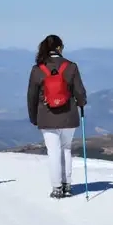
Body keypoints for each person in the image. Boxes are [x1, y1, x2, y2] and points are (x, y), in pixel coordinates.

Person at [27, 34, 88, 198]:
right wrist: (82, 103)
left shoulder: (38, 69)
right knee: (66, 149)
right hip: (69, 115)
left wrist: (34, 117)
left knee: (53, 152)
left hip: (46, 116)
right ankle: (67, 185)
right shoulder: (71, 67)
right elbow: (80, 92)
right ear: (60, 48)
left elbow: (31, 96)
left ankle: (56, 188)